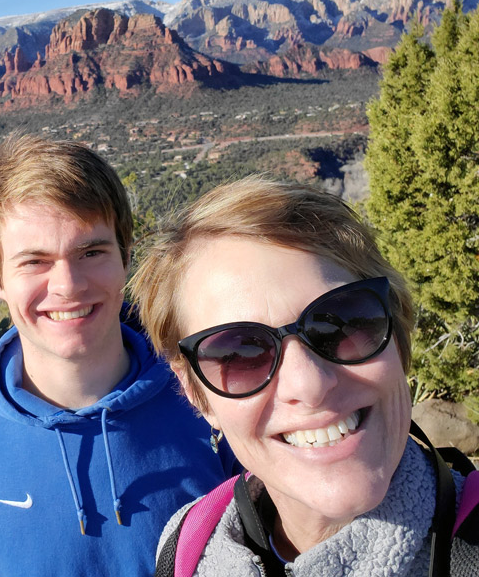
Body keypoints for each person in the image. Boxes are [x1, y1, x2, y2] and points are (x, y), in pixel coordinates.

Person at [0, 134, 239, 576]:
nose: (68, 284)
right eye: (35, 261)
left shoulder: (212, 400)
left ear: (126, 255)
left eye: (91, 252)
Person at [131, 175, 478, 576]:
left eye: (343, 323)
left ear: (397, 338)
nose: (310, 386)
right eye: (241, 353)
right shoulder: (187, 546)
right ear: (197, 393)